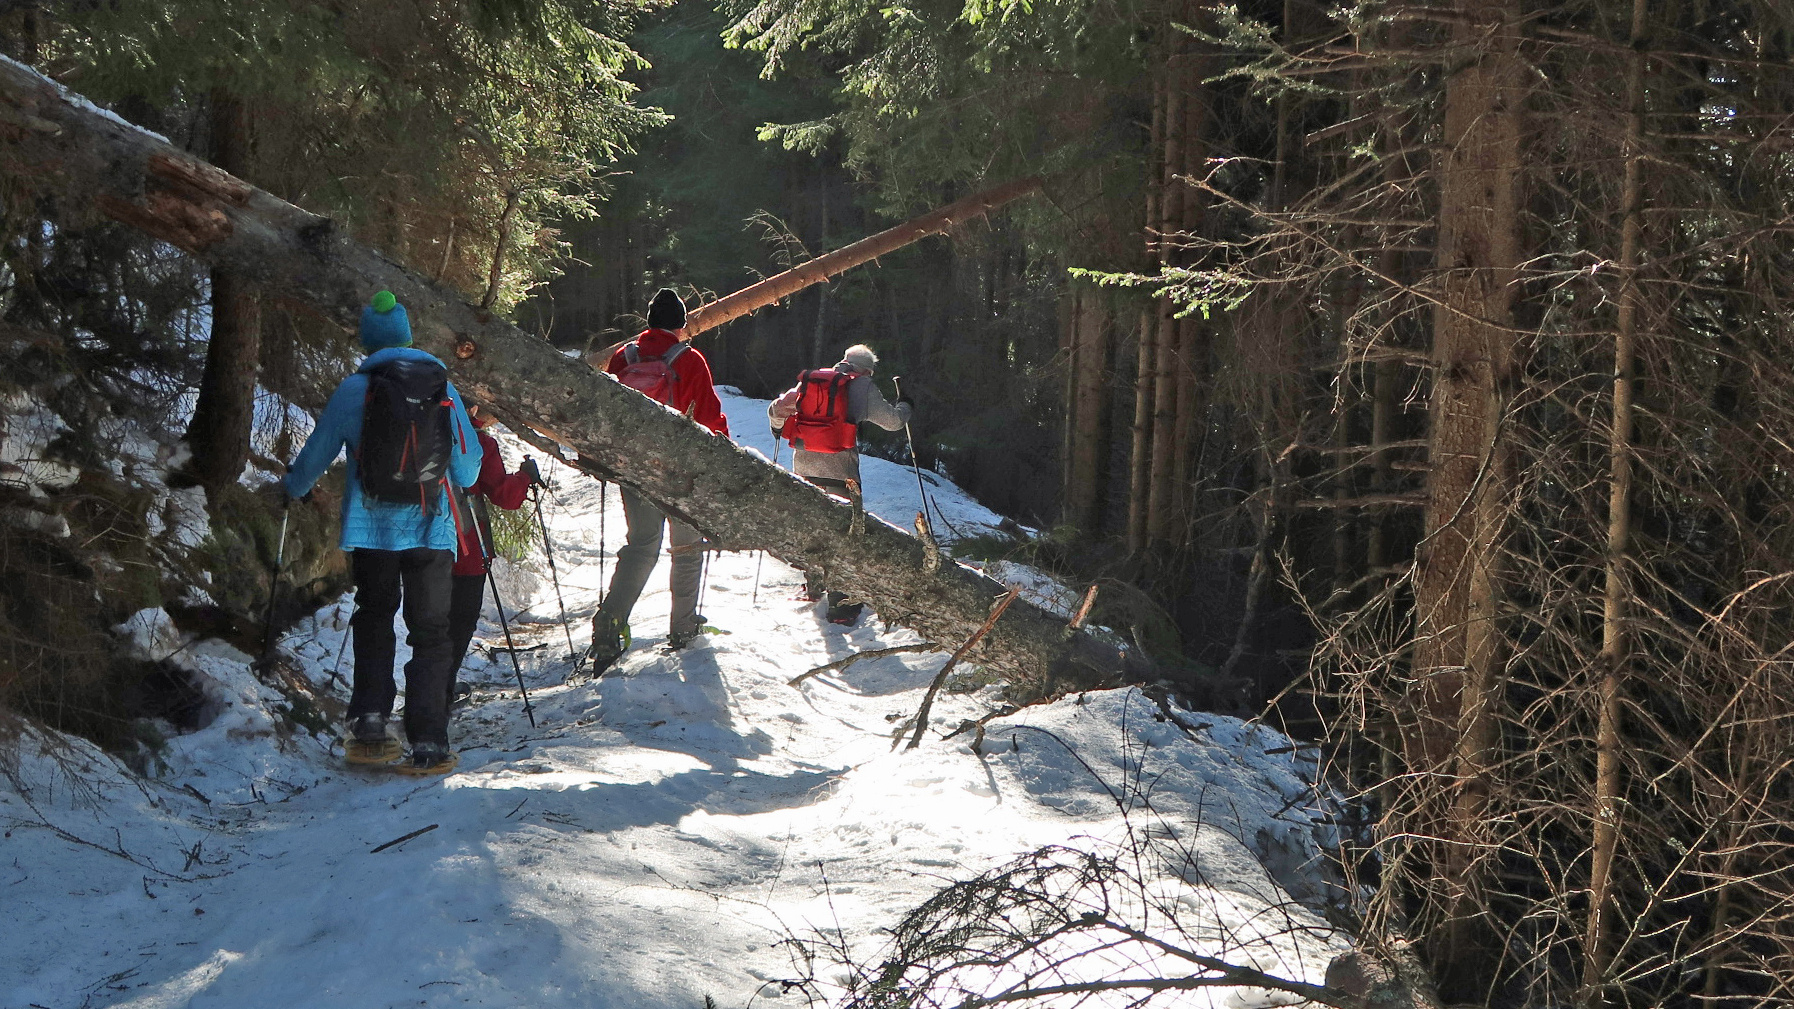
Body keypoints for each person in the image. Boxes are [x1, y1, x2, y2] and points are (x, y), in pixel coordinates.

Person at [284, 291, 481, 775]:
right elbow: (470, 469)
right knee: (431, 632)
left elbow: (314, 456)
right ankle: (430, 738)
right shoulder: (443, 389)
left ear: (368, 341)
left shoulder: (356, 389)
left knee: (375, 615)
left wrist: (291, 488)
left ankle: (371, 719)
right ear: (408, 337)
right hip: (430, 531)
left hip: (371, 532)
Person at [587, 288, 730, 672]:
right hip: (679, 471)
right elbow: (711, 417)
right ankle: (683, 629)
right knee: (686, 549)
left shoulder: (624, 356)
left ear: (649, 320)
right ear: (681, 323)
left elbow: (603, 411)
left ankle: (607, 631)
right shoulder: (690, 359)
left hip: (633, 467)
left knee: (641, 548)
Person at [767, 343, 912, 624]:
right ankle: (842, 606)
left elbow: (777, 410)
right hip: (839, 471)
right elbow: (893, 422)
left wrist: (776, 425)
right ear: (867, 370)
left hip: (804, 466)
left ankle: (813, 585)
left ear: (844, 361)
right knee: (844, 537)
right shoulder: (862, 386)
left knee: (813, 526)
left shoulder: (814, 381)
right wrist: (906, 404)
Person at [444, 404, 544, 710]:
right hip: (465, 546)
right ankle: (441, 688)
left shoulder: (408, 428)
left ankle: (429, 685)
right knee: (461, 619)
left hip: (417, 540)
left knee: (428, 617)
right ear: (470, 406)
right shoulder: (476, 442)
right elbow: (504, 495)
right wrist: (525, 478)